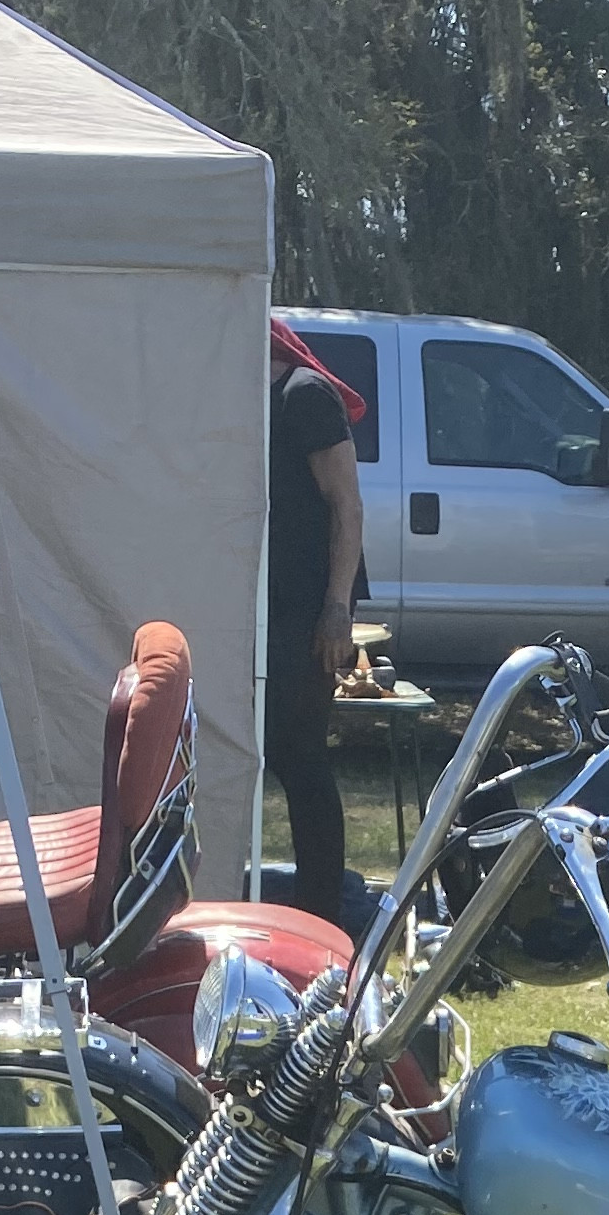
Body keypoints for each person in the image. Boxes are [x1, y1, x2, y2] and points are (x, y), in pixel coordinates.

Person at [264, 318, 365, 926]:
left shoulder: (305, 394)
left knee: (297, 753)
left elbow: (346, 504)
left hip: (310, 604)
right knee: (279, 752)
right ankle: (306, 901)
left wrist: (336, 608)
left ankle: (322, 910)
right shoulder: (242, 401)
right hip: (268, 605)